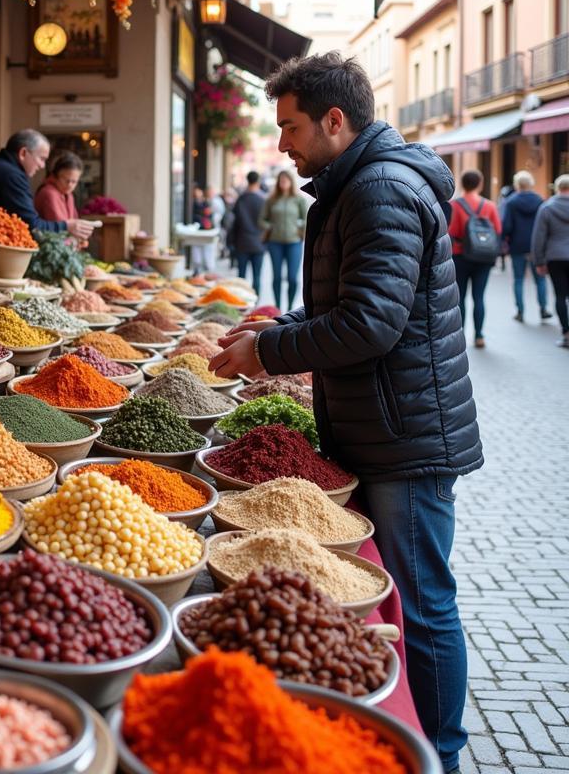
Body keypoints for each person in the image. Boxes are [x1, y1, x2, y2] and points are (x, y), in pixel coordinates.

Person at [209, 51, 481, 774]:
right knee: (413, 596)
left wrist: (269, 355)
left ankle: (441, 756)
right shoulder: (357, 182)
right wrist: (278, 328)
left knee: (422, 604)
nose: (282, 144)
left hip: (406, 433)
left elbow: (370, 325)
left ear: (336, 120)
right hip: (385, 421)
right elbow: (346, 304)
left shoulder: (379, 189)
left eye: (291, 126)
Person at [0, 130, 95, 241]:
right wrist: (67, 226)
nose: (42, 166)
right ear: (23, 153)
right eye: (41, 158)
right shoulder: (11, 176)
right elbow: (32, 226)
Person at [447, 169, 502, 349]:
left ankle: (461, 335)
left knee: (460, 297)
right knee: (479, 297)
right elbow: (498, 231)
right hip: (483, 257)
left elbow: (450, 232)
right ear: (480, 183)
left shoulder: (454, 205)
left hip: (460, 255)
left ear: (462, 183)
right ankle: (479, 336)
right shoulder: (490, 206)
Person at [501, 170, 551, 323]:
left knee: (518, 279)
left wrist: (504, 242)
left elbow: (506, 226)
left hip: (517, 245)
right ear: (531, 184)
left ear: (517, 184)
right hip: (537, 246)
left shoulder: (510, 202)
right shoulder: (540, 201)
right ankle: (543, 309)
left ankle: (520, 311)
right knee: (540, 279)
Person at [260, 170, 307, 310]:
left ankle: (290, 308)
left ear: (291, 182)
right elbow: (261, 220)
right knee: (277, 278)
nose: (283, 183)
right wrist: (271, 227)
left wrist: (299, 230)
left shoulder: (299, 200)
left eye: (286, 180)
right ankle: (278, 308)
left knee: (292, 278)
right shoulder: (271, 200)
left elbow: (306, 219)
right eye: (281, 180)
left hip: (294, 243)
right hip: (275, 243)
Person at [532, 173, 569, 348]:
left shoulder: (547, 208)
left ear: (558, 188)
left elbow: (539, 237)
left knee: (560, 295)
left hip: (555, 257)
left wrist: (539, 261)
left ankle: (566, 333)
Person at [232, 170, 266, 293]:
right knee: (257, 277)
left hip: (242, 242)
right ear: (258, 181)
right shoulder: (263, 200)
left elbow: (234, 222)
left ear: (247, 181)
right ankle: (255, 303)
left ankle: (241, 301)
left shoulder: (241, 199)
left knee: (241, 276)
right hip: (259, 243)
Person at [34, 151, 83, 224]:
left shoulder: (68, 195)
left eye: (74, 181)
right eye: (66, 180)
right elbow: (61, 228)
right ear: (55, 176)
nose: (70, 185)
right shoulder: (49, 193)